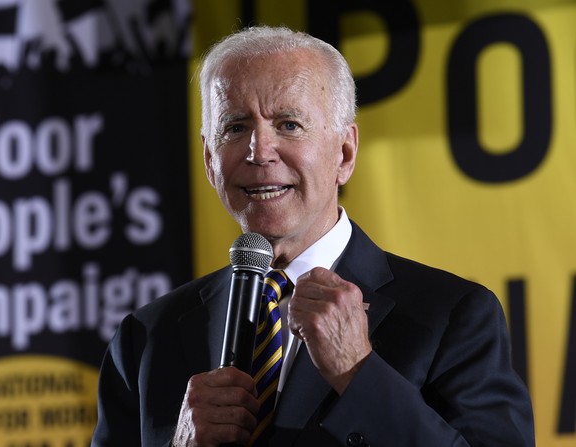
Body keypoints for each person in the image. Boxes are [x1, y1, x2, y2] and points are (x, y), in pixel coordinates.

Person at [91, 26, 535, 446]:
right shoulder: (146, 339)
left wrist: (357, 373)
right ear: (210, 160)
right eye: (236, 127)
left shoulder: (452, 317)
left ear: (344, 153)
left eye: (288, 124)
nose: (259, 151)